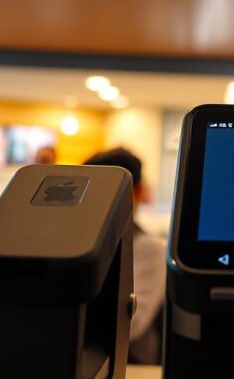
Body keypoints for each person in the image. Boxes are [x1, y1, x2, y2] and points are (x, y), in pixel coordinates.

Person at [84, 147, 165, 365]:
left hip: (132, 366)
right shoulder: (83, 244)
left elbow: (131, 325)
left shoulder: (150, 248)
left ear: (135, 193)